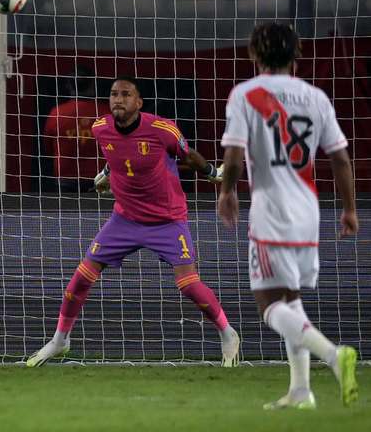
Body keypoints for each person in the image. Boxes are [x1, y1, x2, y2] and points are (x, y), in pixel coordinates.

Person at [27, 77, 240, 367]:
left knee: (189, 284)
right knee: (81, 277)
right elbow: (114, 156)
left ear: (139, 103)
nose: (118, 99)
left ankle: (228, 334)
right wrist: (105, 175)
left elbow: (186, 156)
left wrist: (212, 171)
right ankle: (60, 341)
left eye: (126, 94)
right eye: (114, 94)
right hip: (124, 219)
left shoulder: (161, 130)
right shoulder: (100, 128)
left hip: (167, 220)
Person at [217, 23, 358, 409]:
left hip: (271, 209)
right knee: (291, 299)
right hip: (308, 210)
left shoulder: (245, 94)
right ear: (297, 55)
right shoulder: (315, 97)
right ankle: (301, 391)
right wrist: (348, 207)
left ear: (253, 54)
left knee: (269, 306)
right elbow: (341, 158)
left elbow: (232, 154)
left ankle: (333, 355)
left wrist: (227, 192)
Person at [43, 72, 109, 191]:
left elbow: (48, 147)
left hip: (65, 178)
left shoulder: (57, 113)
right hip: (99, 177)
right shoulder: (106, 113)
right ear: (94, 85)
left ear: (68, 86)